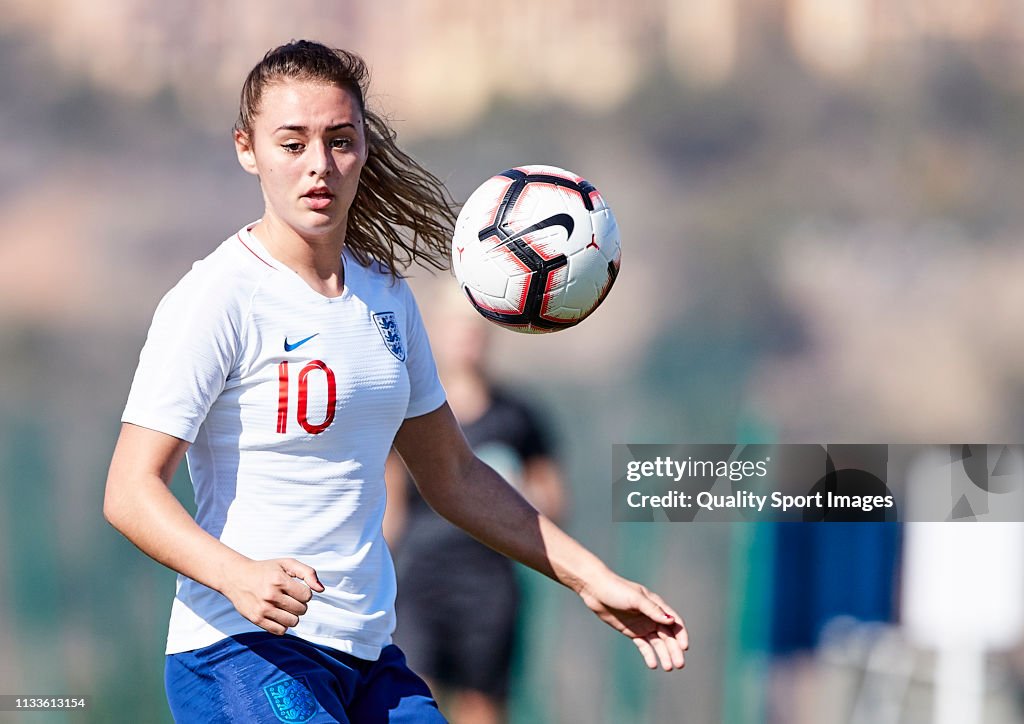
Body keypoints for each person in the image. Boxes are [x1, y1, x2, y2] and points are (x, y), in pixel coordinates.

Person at [104, 40, 687, 723]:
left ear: (362, 151)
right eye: (292, 144)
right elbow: (129, 492)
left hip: (368, 656)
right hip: (242, 652)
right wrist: (236, 574)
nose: (319, 165)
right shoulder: (218, 297)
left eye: (339, 141)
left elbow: (456, 477)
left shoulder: (385, 297)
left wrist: (592, 578)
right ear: (247, 149)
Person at [383, 292, 566, 724]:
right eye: (456, 329)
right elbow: (389, 502)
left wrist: (515, 496)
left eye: (474, 330)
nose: (466, 340)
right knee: (413, 700)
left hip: (489, 584)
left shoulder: (518, 414)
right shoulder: (411, 410)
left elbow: (554, 499)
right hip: (419, 578)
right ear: (438, 335)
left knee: (480, 707)